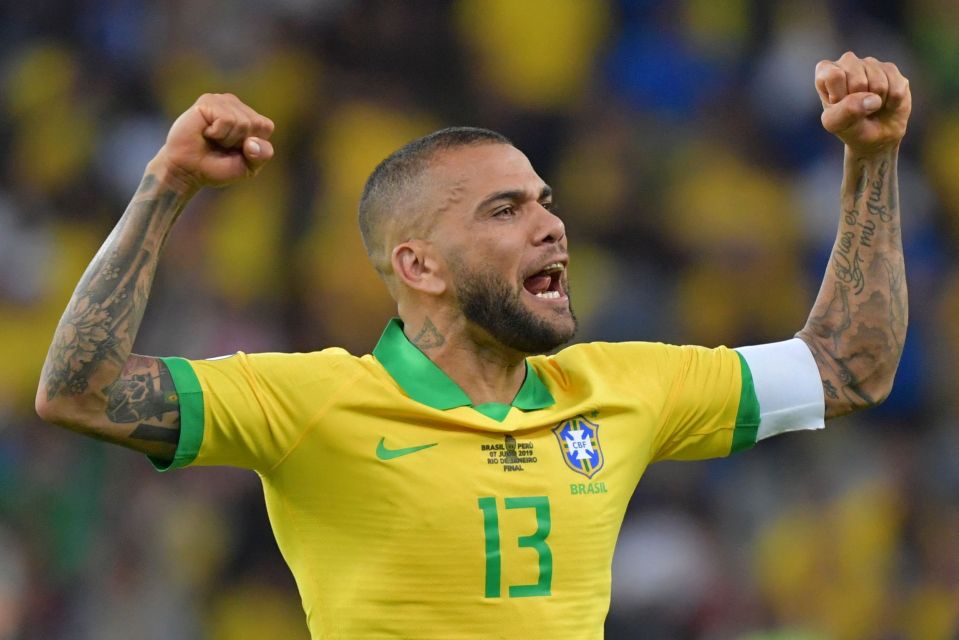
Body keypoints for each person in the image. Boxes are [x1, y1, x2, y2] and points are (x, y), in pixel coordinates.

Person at [35, 52, 910, 639]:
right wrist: (167, 184)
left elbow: (844, 368)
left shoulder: (623, 386)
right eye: (505, 210)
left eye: (544, 200)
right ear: (418, 264)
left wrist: (870, 160)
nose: (551, 226)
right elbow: (79, 391)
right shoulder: (308, 403)